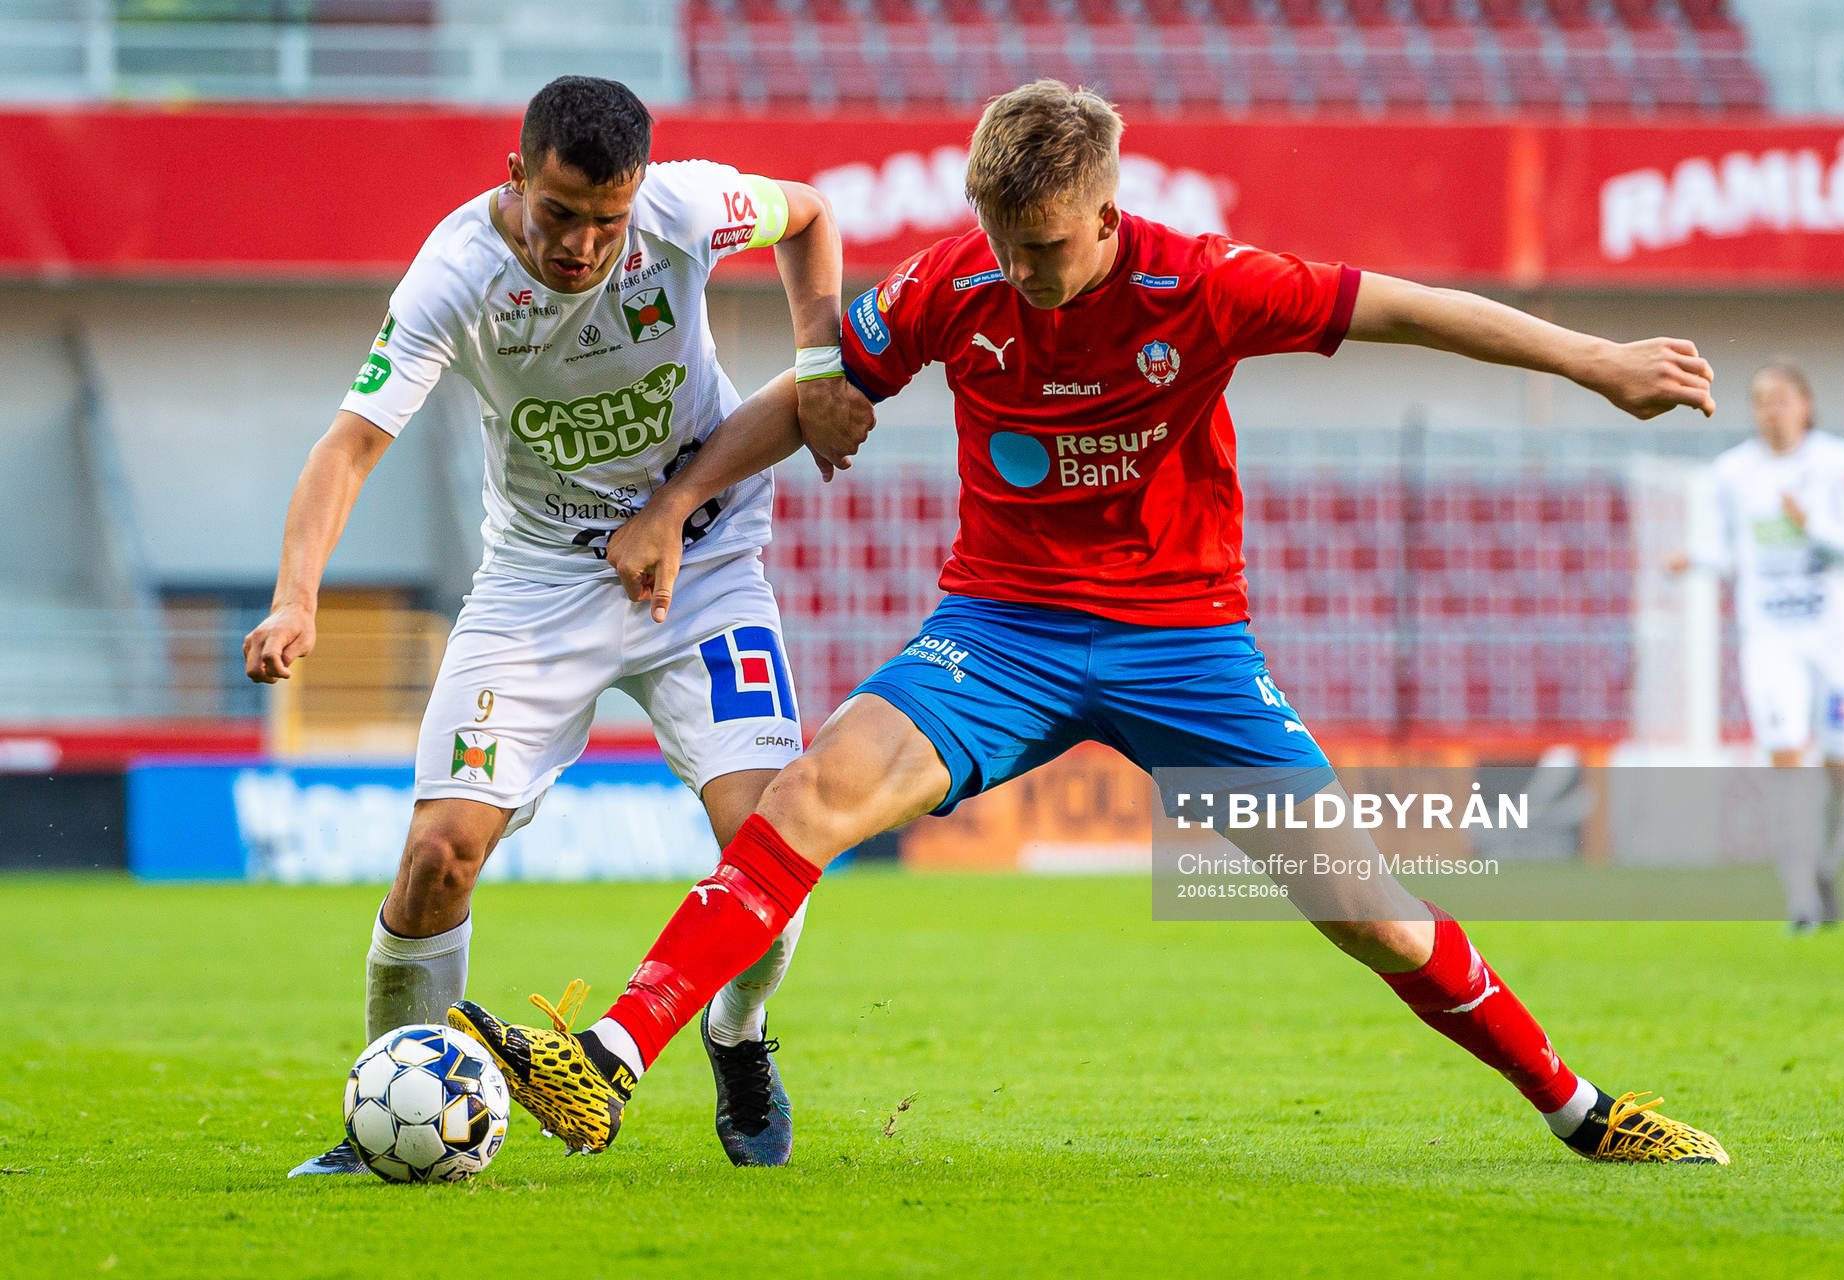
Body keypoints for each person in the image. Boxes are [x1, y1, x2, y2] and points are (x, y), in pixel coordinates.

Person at [452, 81, 1728, 1165]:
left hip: (1185, 642)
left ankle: (1584, 1111)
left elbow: (1407, 306)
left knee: (1373, 913)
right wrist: (682, 497)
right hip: (999, 630)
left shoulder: (1206, 283)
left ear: (1109, 216)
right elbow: (814, 387)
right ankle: (611, 1060)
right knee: (808, 793)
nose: (1024, 275)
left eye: (1048, 250)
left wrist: (1596, 361)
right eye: (1003, 243)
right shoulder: (960, 282)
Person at [243, 75, 872, 1175]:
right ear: (517, 175)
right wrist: (298, 594)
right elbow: (348, 444)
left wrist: (819, 361)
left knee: (768, 845)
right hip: (536, 583)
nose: (583, 244)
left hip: (707, 564)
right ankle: (393, 1107)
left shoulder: (682, 208)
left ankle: (736, 1030)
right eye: (561, 212)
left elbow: (811, 211)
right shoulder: (454, 276)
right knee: (440, 851)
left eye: (606, 220)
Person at [1667, 364, 1844, 930]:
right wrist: (1694, 559)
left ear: (1806, 405)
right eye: (1761, 400)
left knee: (1839, 761)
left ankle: (1827, 862)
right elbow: (1728, 551)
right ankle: (1801, 900)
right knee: (1785, 754)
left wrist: (1810, 524)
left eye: (1782, 399)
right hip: (1770, 637)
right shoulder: (1733, 472)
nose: (1772, 410)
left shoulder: (1839, 462)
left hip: (1837, 636)